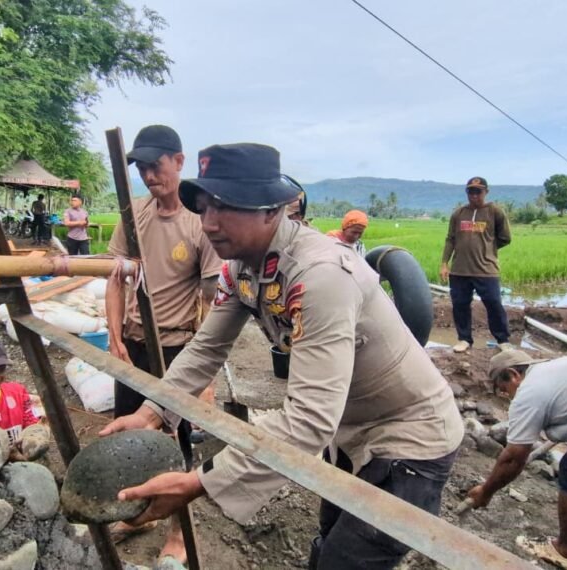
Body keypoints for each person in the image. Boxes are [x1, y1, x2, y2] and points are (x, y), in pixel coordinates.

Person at [101, 143, 464, 570]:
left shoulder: (321, 275)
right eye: (203, 207)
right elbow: (207, 347)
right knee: (328, 539)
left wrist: (198, 481)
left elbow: (308, 418)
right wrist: (151, 412)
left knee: (348, 561)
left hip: (409, 437)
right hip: (348, 430)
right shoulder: (241, 267)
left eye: (225, 207)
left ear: (271, 210)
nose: (210, 223)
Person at [105, 124, 222, 565]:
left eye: (157, 165)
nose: (150, 175)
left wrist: (204, 375)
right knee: (131, 434)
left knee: (178, 442)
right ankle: (140, 512)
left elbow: (211, 306)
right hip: (133, 347)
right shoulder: (132, 215)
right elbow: (116, 281)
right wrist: (114, 335)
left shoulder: (199, 223)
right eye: (141, 168)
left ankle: (178, 532)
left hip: (177, 351)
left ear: (179, 161)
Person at [466, 350, 567, 570]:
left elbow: (514, 457)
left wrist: (486, 492)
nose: (508, 397)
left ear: (514, 375)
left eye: (504, 391)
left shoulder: (530, 390)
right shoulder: (556, 369)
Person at [439, 176, 512, 353]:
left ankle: (503, 340)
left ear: (486, 192)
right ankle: (464, 339)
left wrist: (487, 249)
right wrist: (444, 263)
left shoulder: (495, 212)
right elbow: (451, 239)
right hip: (459, 270)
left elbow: (505, 238)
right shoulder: (458, 214)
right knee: (460, 305)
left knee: (494, 304)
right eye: (471, 191)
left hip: (486, 270)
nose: (474, 195)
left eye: (478, 191)